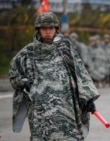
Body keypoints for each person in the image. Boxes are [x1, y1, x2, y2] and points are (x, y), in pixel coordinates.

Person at [8, 12, 100, 141]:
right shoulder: (27, 52)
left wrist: (88, 99)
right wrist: (24, 82)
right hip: (40, 111)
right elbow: (14, 74)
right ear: (38, 30)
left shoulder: (66, 49)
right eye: (44, 28)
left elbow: (81, 74)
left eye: (50, 28)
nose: (47, 31)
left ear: (56, 29)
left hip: (66, 108)